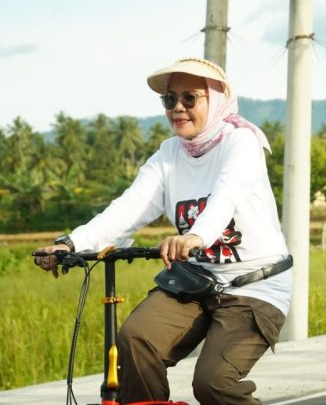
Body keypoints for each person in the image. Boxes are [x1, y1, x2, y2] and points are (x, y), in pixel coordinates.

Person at [32, 57, 292, 405]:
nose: (178, 108)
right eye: (170, 100)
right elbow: (129, 207)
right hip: (196, 281)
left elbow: (227, 195)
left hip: (256, 286)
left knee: (214, 382)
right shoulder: (169, 154)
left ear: (215, 99)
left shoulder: (240, 143)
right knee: (136, 339)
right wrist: (71, 242)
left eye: (190, 99)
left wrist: (195, 237)